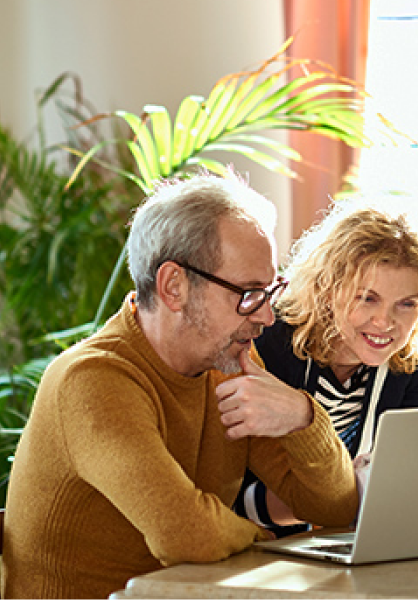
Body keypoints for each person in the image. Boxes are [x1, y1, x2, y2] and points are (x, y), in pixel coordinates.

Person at [1, 171, 359, 599]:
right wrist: (267, 540)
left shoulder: (229, 364)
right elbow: (186, 535)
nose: (266, 317)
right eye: (248, 293)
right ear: (174, 286)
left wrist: (303, 416)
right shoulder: (92, 379)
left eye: (269, 291)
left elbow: (336, 509)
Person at [234, 195, 418, 537]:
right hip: (266, 555)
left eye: (406, 304)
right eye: (367, 298)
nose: (385, 322)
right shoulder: (266, 346)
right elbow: (234, 496)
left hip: (360, 548)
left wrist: (344, 502)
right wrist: (345, 503)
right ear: (327, 289)